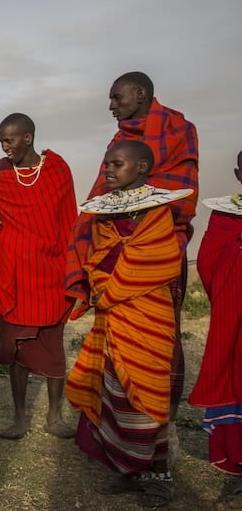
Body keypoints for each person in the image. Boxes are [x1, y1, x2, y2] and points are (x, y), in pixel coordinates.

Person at [66, 140, 192, 508]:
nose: (108, 169)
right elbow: (97, 259)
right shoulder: (104, 215)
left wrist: (111, 288)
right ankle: (128, 469)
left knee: (150, 396)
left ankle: (159, 477)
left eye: (117, 164)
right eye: (107, 163)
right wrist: (103, 288)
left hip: (148, 317)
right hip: (113, 319)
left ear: (141, 168)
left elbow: (162, 260)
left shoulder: (157, 213)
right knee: (115, 394)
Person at [66, 72, 198, 419]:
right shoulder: (121, 140)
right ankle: (112, 421)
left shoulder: (178, 131)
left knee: (158, 339)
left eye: (117, 97)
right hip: (111, 255)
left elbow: (182, 198)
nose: (111, 106)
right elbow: (103, 196)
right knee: (112, 338)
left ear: (140, 93)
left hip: (158, 251)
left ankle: (159, 421)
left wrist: (143, 231)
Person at [0, 113, 76, 440]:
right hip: (14, 276)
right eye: (1, 142)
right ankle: (19, 418)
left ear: (28, 138)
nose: (4, 147)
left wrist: (72, 268)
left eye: (9, 141)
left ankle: (54, 416)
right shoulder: (2, 171)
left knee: (53, 348)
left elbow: (68, 219)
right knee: (17, 350)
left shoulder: (57, 169)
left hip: (49, 275)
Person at [188, 150, 242, 502]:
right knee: (233, 378)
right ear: (238, 174)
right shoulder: (226, 215)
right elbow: (208, 262)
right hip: (234, 315)